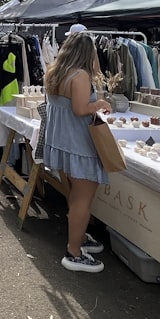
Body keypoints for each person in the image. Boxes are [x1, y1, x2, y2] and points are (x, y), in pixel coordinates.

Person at [41, 31, 113, 273]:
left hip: (64, 141)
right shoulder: (80, 75)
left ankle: (79, 239)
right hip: (79, 144)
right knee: (83, 198)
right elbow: (81, 109)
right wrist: (100, 104)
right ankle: (74, 251)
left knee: (76, 194)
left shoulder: (55, 72)